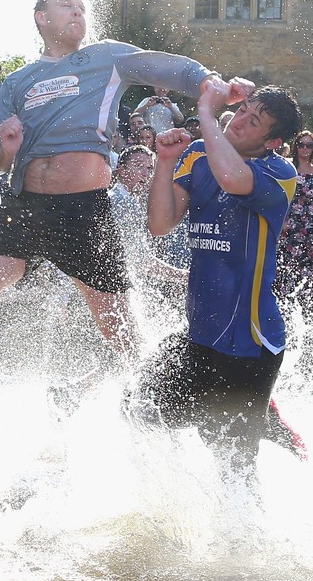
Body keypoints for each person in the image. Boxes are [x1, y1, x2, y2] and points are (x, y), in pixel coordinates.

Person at [0, 0, 248, 492]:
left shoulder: (107, 59)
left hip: (85, 213)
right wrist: (4, 151)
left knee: (121, 335)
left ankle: (160, 430)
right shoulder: (19, 81)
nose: (77, 11)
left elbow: (165, 67)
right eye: (65, 5)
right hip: (23, 208)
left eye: (81, 6)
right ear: (39, 18)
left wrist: (209, 82)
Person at [121, 85, 303, 484]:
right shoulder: (198, 155)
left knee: (234, 470)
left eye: (252, 121)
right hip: (199, 337)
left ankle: (252, 527)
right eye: (241, 112)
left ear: (272, 141)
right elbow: (160, 224)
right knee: (137, 407)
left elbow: (234, 178)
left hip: (249, 347)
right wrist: (166, 162)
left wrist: (205, 110)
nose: (237, 121)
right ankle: (174, 504)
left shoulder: (279, 173)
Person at [275, 130, 313, 298]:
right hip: (291, 220)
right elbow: (280, 195)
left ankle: (307, 301)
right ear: (296, 147)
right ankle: (284, 300)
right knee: (288, 264)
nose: (305, 148)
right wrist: (281, 221)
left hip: (310, 222)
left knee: (310, 263)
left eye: (309, 145)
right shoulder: (288, 166)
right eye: (301, 145)